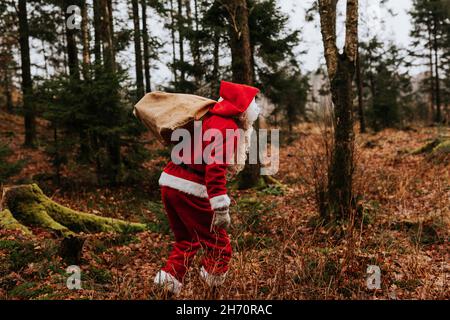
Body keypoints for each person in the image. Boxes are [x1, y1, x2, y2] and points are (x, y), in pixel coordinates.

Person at [154, 81, 260, 295]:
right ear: (243, 110)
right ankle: (211, 293)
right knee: (219, 247)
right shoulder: (228, 127)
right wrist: (220, 207)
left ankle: (165, 289)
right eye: (253, 107)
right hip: (190, 188)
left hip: (170, 182)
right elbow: (215, 169)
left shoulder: (209, 116)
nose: (255, 112)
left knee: (186, 240)